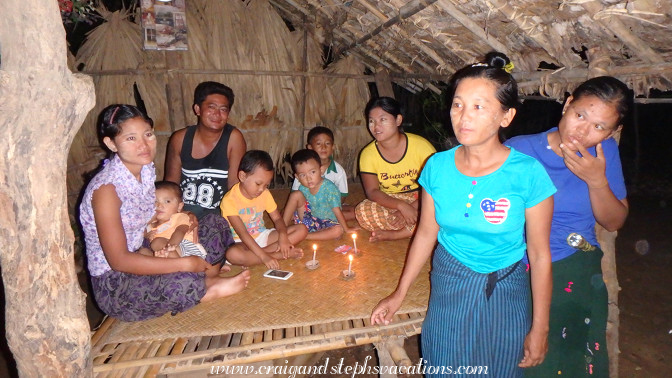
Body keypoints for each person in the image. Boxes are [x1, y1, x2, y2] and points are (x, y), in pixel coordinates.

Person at [370, 52, 555, 377]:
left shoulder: (528, 174)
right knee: (443, 367)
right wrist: (398, 295)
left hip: (507, 289)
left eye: (478, 106)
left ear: (506, 116)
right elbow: (426, 233)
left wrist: (540, 328)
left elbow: (539, 256)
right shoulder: (438, 167)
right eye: (458, 104)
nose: (464, 116)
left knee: (502, 370)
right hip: (450, 284)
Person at [506, 76, 631, 377]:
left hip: (576, 264)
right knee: (526, 360)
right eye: (580, 116)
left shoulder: (604, 154)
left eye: (600, 127)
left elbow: (614, 221)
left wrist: (597, 181)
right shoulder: (518, 151)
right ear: (567, 105)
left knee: (577, 361)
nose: (584, 131)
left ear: (612, 132)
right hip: (520, 267)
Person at [79, 104, 250, 322]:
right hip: (118, 282)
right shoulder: (106, 190)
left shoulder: (144, 171)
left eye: (148, 134)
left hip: (145, 249)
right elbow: (119, 261)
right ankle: (206, 286)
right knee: (182, 282)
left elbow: (151, 218)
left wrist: (182, 218)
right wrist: (182, 263)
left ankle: (204, 275)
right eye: (131, 138)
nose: (144, 145)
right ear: (111, 143)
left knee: (215, 224)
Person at [355, 97, 436, 242]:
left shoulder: (421, 146)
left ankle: (398, 233)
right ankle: (417, 226)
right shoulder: (368, 154)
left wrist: (412, 206)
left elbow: (436, 186)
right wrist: (401, 206)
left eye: (383, 120)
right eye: (371, 121)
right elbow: (372, 191)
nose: (376, 126)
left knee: (439, 206)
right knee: (362, 212)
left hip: (421, 198)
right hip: (390, 200)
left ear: (398, 120)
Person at [222, 150, 308, 269]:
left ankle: (255, 257)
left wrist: (283, 237)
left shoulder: (264, 193)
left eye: (266, 185)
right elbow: (243, 234)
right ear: (242, 176)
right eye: (258, 184)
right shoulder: (229, 200)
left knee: (301, 229)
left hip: (262, 236)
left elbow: (277, 218)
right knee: (232, 255)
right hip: (241, 242)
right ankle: (277, 255)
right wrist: (264, 257)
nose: (262, 189)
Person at [283, 149, 357, 240]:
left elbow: (337, 211)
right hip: (308, 219)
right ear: (297, 177)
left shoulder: (329, 189)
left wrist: (347, 229)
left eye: (312, 172)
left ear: (321, 170)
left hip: (327, 222)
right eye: (303, 175)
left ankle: (305, 236)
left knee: (338, 230)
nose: (308, 178)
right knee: (295, 195)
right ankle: (282, 230)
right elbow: (301, 205)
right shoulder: (302, 187)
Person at [291, 126, 354, 220]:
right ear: (310, 147)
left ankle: (318, 219)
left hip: (329, 208)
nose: (323, 147)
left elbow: (343, 195)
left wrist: (329, 208)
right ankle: (314, 219)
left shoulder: (338, 171)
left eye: (327, 143)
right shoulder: (302, 168)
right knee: (286, 212)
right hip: (306, 207)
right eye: (319, 144)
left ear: (333, 147)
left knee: (354, 212)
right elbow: (295, 193)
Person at [145, 181, 207, 259]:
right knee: (143, 252)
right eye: (155, 201)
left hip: (185, 248)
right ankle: (165, 266)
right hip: (162, 253)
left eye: (167, 201)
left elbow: (180, 231)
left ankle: (179, 266)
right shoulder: (150, 225)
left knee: (157, 242)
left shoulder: (179, 217)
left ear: (179, 206)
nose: (159, 205)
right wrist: (146, 236)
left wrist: (170, 246)